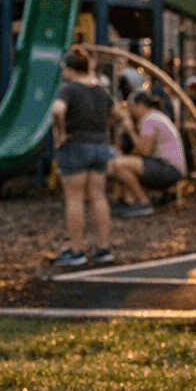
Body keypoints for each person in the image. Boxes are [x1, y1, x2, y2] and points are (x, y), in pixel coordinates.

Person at [48, 45, 114, 268]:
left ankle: (77, 250)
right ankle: (104, 248)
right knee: (98, 196)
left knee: (74, 198)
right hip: (100, 145)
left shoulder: (69, 89)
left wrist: (60, 132)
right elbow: (118, 114)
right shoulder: (100, 90)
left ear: (69, 69)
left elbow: (57, 110)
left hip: (75, 145)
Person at [108, 89, 187, 217]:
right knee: (118, 164)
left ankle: (142, 202)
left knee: (118, 164)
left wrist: (130, 131)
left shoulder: (149, 119)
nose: (130, 112)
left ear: (139, 105)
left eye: (131, 107)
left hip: (168, 168)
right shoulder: (156, 116)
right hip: (169, 166)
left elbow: (144, 151)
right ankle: (125, 201)